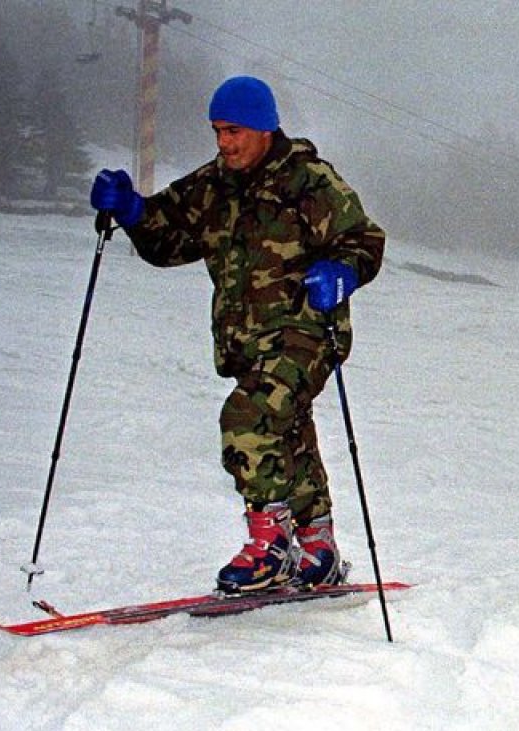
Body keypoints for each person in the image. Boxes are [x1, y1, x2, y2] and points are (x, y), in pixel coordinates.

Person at [89, 76, 386, 593]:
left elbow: (363, 239)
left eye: (234, 131)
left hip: (306, 333)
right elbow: (167, 238)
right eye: (217, 131)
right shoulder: (213, 185)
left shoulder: (308, 182)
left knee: (248, 417)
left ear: (265, 128)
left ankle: (271, 545)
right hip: (246, 341)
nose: (224, 143)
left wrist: (343, 271)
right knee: (287, 432)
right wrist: (132, 210)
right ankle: (317, 547)